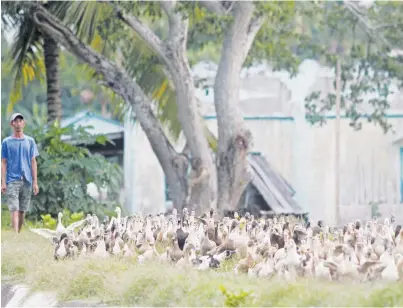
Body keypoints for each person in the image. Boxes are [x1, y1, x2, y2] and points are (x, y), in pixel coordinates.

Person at [1, 113, 39, 233]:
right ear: (12, 124)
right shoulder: (6, 142)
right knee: (14, 209)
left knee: (22, 209)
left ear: (24, 123)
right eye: (15, 121)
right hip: (12, 180)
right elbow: (3, 162)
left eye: (20, 121)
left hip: (27, 180)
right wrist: (3, 182)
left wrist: (35, 183)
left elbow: (33, 162)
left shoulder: (30, 141)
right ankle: (15, 235)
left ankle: (18, 232)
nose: (18, 123)